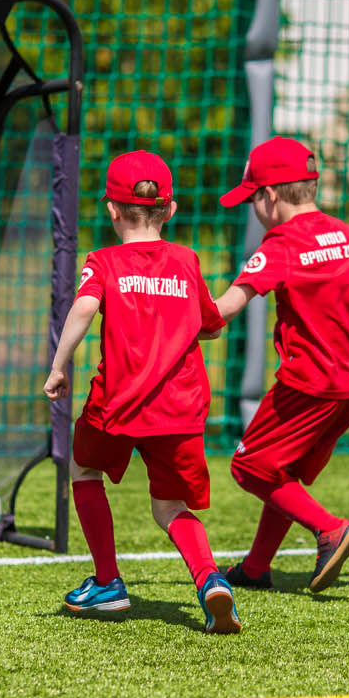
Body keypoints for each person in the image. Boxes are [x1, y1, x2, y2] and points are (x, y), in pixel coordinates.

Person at [43, 150, 239, 634]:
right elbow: (212, 324)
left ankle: (107, 582)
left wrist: (59, 366)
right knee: (170, 507)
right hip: (181, 409)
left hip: (118, 404)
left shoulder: (103, 261)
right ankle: (210, 579)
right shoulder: (187, 261)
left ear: (112, 210)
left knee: (83, 468)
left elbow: (84, 307)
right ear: (169, 209)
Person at [213, 136, 349, 593]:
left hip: (307, 385)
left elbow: (226, 309)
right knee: (283, 470)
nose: (253, 209)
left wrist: (178, 318)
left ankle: (330, 530)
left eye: (252, 198)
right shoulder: (344, 233)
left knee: (249, 467)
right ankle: (256, 568)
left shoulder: (282, 243)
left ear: (270, 196)